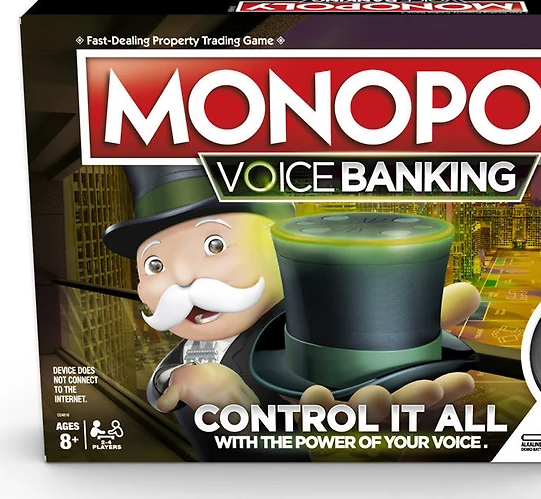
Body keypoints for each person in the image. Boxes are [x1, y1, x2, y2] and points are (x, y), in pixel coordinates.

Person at [104, 165, 480, 461]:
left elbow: (320, 373)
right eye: (154, 265)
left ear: (274, 247)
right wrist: (182, 376)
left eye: (215, 245)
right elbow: (164, 381)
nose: (184, 278)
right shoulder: (189, 351)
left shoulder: (300, 324)